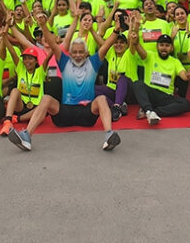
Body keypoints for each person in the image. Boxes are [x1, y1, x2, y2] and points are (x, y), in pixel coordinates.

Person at [7, 15, 121, 152]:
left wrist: (116, 30)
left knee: (101, 99)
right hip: (64, 113)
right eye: (75, 52)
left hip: (86, 113)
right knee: (46, 99)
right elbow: (52, 44)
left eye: (81, 52)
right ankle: (26, 136)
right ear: (70, 53)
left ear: (86, 53)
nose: (78, 55)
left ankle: (108, 135)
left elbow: (106, 46)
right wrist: (43, 26)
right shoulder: (64, 62)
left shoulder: (93, 63)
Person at [130, 34, 190, 125]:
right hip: (151, 94)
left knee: (185, 104)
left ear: (171, 48)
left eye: (167, 45)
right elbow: (140, 51)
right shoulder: (150, 56)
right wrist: (136, 43)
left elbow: (184, 76)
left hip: (165, 97)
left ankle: (153, 111)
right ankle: (148, 111)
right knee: (137, 83)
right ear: (157, 46)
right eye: (161, 45)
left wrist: (188, 75)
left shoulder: (175, 62)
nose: (164, 48)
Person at [0, 46, 49, 136]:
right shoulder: (20, 69)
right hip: (21, 106)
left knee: (45, 107)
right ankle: (8, 121)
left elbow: (48, 57)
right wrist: (5, 39)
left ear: (36, 61)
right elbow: (12, 52)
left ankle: (17, 119)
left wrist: (54, 46)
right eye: (25, 59)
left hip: (34, 110)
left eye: (30, 58)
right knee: (15, 90)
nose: (27, 61)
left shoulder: (40, 71)